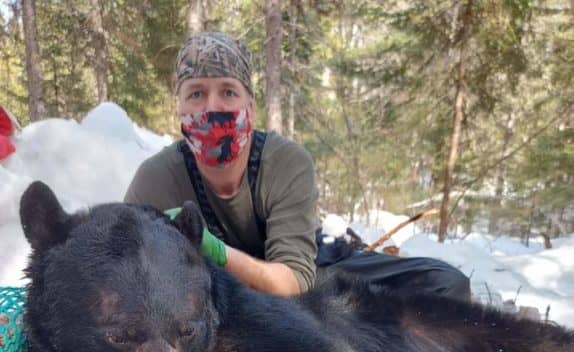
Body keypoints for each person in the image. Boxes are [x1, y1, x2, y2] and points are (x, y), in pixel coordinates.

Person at [125, 31, 470, 302]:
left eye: (228, 92)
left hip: (305, 281)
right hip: (212, 300)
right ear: (180, 108)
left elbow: (293, 283)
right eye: (196, 94)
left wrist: (213, 249)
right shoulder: (156, 180)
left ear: (251, 107)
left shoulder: (284, 162)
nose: (212, 107)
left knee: (444, 285)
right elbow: (119, 272)